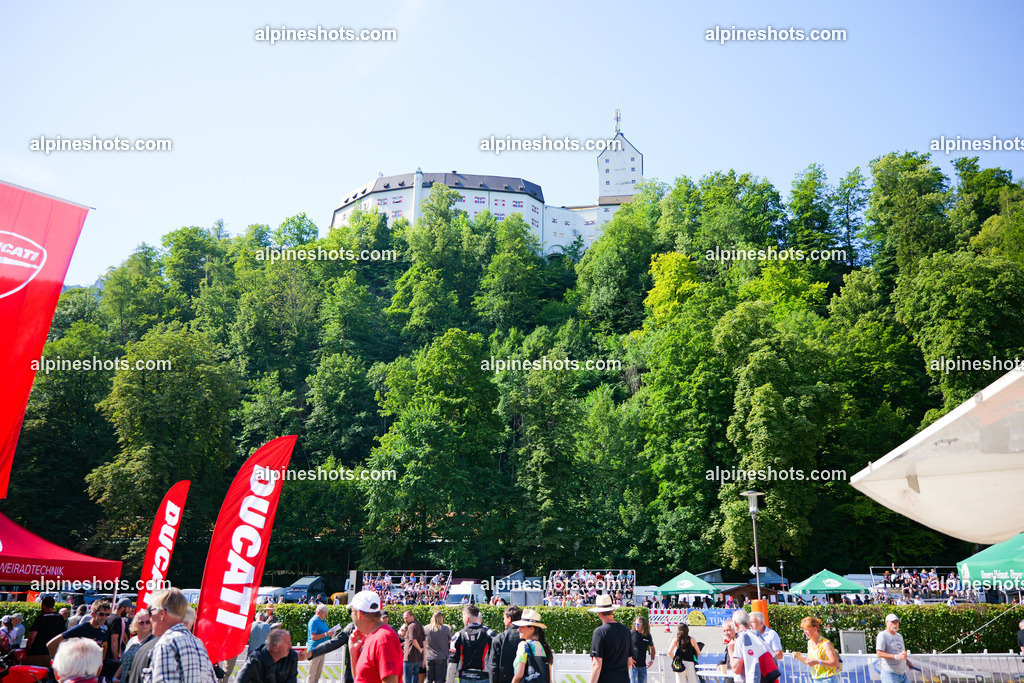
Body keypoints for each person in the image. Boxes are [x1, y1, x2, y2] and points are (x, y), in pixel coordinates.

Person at [148, 588, 217, 683]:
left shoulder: (167, 643)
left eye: (150, 611)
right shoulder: (197, 643)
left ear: (162, 614)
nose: (150, 619)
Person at [349, 590, 402, 683]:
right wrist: (353, 652)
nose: (351, 616)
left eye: (351, 611)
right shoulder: (372, 636)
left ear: (359, 614)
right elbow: (360, 678)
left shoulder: (383, 638)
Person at [588, 594, 631, 683]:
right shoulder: (626, 630)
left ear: (599, 613)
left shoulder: (599, 632)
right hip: (623, 679)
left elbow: (597, 664)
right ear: (613, 611)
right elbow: (629, 662)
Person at [451, 605, 495, 683]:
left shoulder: (458, 635)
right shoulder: (489, 634)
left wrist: (449, 680)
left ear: (466, 618)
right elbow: (495, 658)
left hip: (465, 676)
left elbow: (452, 661)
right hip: (483, 676)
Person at [510, 610, 552, 683]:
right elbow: (549, 679)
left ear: (532, 629)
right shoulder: (544, 647)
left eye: (522, 626)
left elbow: (519, 674)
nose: (518, 629)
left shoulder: (524, 646)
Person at [794, 616, 839, 683]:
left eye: (807, 629)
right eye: (804, 629)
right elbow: (810, 662)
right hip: (816, 679)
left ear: (815, 629)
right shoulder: (809, 643)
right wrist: (799, 658)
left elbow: (835, 663)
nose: (805, 632)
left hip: (828, 679)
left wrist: (818, 662)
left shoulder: (826, 643)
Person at [729, 610, 768, 683]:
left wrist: (731, 651)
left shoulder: (741, 638)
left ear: (735, 624)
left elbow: (737, 669)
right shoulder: (757, 635)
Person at [115, 609, 154, 683]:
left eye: (147, 622)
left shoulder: (153, 641)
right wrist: (114, 678)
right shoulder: (131, 640)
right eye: (141, 622)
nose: (144, 625)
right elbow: (124, 662)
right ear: (136, 624)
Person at [27, 595, 67, 666]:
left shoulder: (40, 618)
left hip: (37, 652)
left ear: (44, 606)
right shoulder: (60, 618)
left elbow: (32, 637)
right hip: (54, 653)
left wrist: (27, 648)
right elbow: (63, 636)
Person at [488, 607, 522, 683]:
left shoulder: (499, 638)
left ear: (509, 619)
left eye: (504, 618)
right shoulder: (526, 637)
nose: (503, 621)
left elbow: (493, 666)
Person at [875, 614, 911, 683]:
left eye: (897, 622)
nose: (895, 624)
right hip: (890, 674)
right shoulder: (882, 635)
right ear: (886, 623)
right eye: (893, 622)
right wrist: (896, 656)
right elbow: (879, 653)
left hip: (902, 674)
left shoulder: (899, 636)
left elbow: (900, 653)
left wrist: (908, 662)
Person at [423, 612, 451, 683]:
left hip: (429, 657)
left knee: (429, 679)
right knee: (440, 679)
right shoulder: (446, 629)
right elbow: (450, 641)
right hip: (442, 656)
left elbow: (423, 642)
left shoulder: (426, 628)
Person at [307, 604, 332, 683]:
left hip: (322, 649)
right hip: (315, 650)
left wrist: (330, 633)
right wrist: (326, 634)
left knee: (317, 675)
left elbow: (325, 632)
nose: (326, 615)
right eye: (325, 613)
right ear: (319, 612)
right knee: (312, 675)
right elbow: (313, 637)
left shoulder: (322, 621)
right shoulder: (313, 621)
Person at [399, 611, 425, 683]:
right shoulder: (419, 625)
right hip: (417, 658)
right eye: (404, 618)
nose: (405, 620)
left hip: (410, 657)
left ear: (412, 616)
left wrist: (420, 650)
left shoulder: (411, 626)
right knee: (415, 679)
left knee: (408, 680)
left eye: (406, 618)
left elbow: (413, 640)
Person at [629, 617, 656, 683]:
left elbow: (652, 648)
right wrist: (629, 658)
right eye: (635, 623)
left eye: (638, 624)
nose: (636, 625)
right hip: (633, 666)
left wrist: (652, 660)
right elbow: (625, 647)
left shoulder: (647, 636)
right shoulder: (631, 634)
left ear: (643, 624)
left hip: (643, 667)